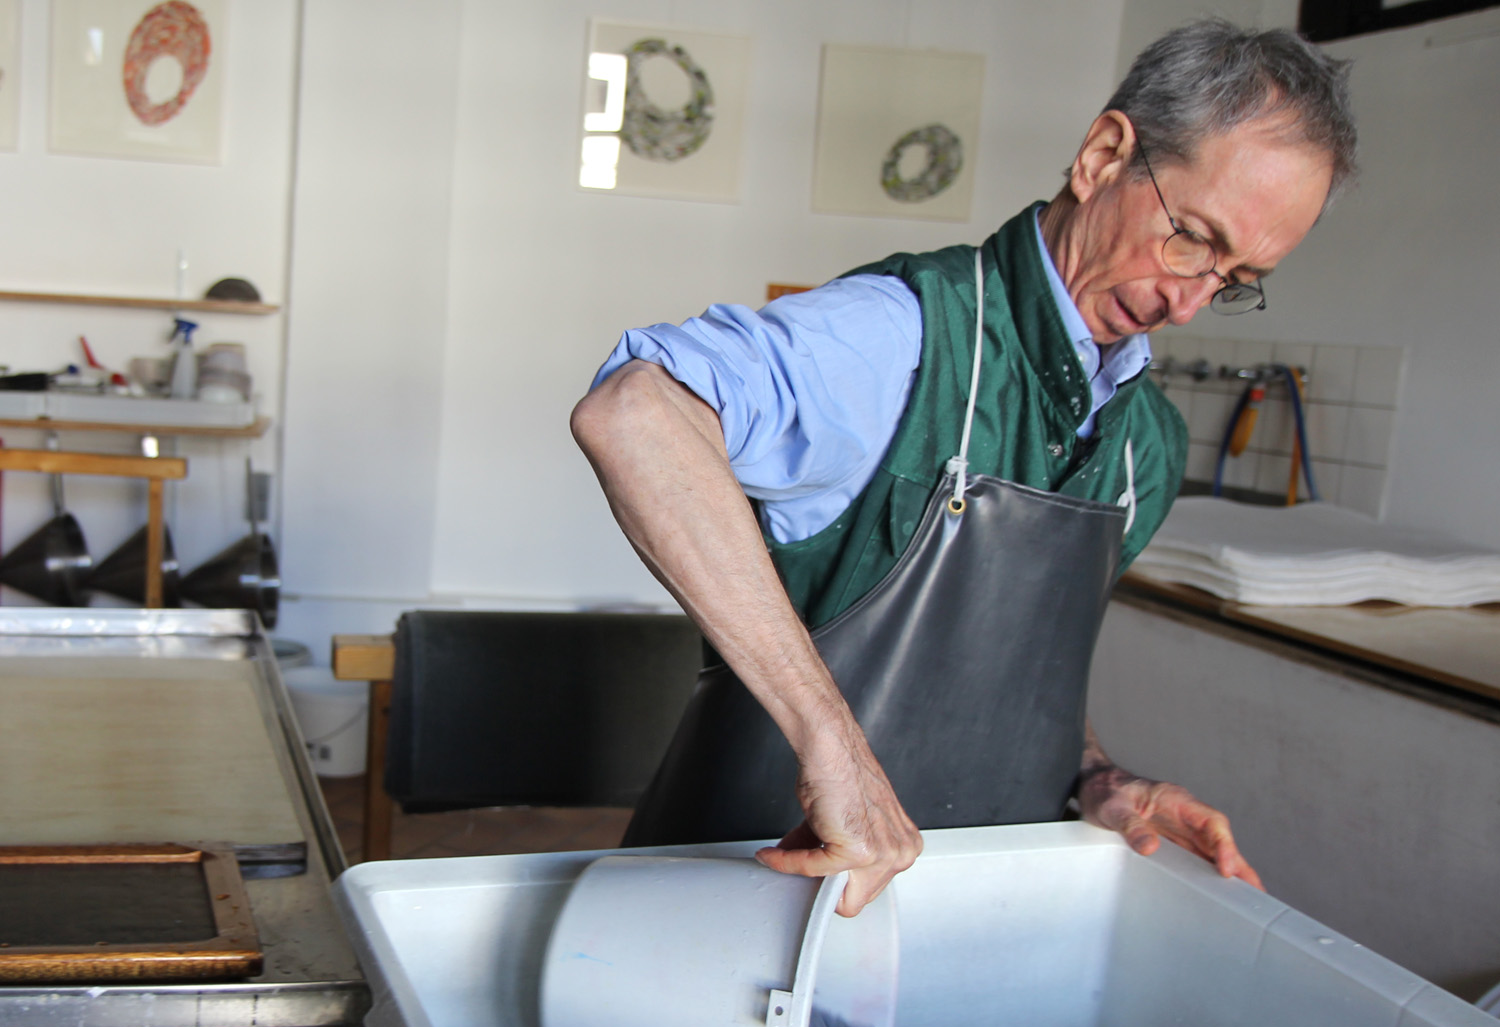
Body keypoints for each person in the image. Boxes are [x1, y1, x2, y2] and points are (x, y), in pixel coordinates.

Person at [570, 19, 1358, 916]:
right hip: (735, 907)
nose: (1188, 302)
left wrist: (1098, 776)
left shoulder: (1148, 449)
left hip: (963, 929)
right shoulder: (900, 337)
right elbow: (634, 410)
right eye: (1191, 238)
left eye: (1234, 277)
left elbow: (1006, 663)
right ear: (1103, 156)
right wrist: (832, 740)